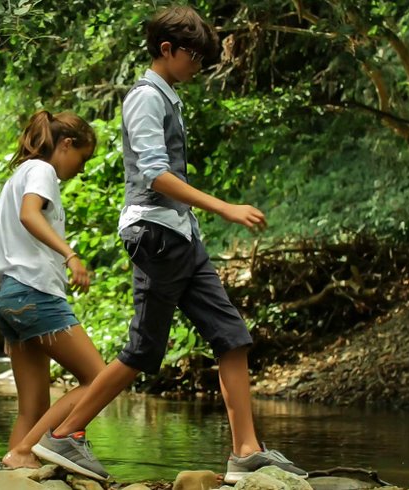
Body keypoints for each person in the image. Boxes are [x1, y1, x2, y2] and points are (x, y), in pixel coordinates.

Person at [31, 6, 308, 484]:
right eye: (194, 56)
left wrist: (200, 221)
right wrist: (224, 207)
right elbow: (155, 176)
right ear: (167, 50)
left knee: (231, 336)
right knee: (143, 349)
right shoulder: (145, 98)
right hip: (156, 234)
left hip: (181, 235)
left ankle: (246, 451)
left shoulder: (169, 97)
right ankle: (66, 434)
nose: (198, 66)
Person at [0, 110, 107, 470]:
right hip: (33, 294)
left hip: (9, 296)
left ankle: (12, 475)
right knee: (100, 379)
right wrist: (71, 254)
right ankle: (26, 451)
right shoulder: (42, 170)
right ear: (66, 144)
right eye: (83, 158)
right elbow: (30, 214)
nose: (82, 168)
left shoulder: (17, 176)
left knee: (32, 408)